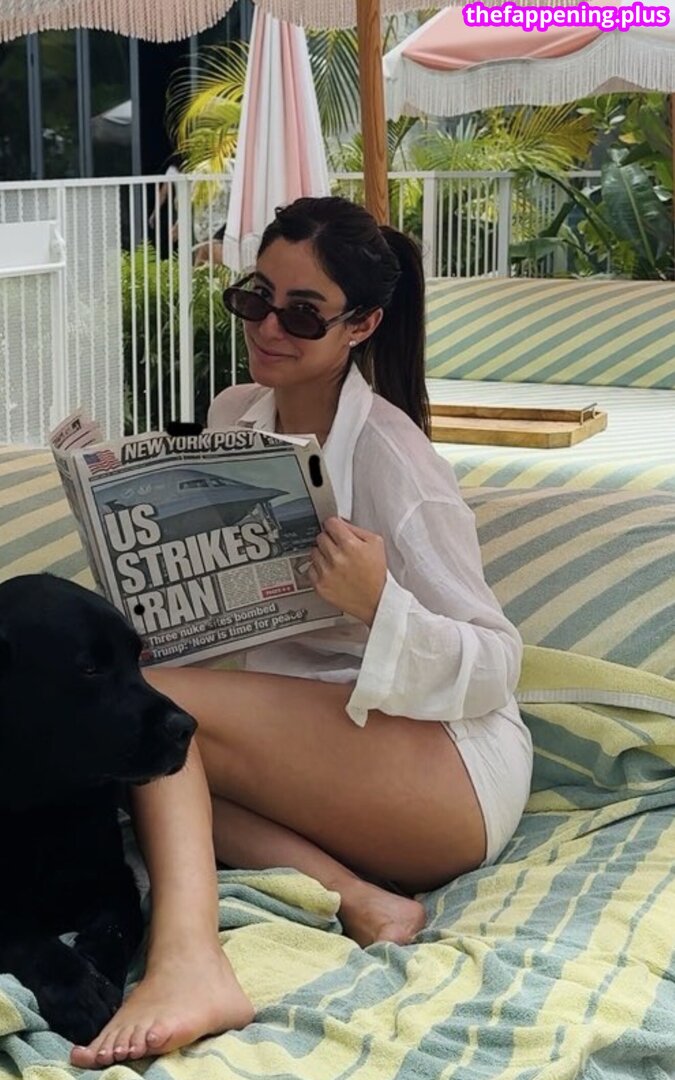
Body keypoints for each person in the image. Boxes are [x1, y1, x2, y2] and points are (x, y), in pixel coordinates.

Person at [70, 196, 533, 1070]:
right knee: (135, 747)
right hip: (333, 740)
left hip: (452, 773)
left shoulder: (393, 458)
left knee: (153, 714)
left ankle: (190, 961)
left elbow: (495, 664)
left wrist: (378, 602)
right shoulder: (236, 414)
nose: (268, 327)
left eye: (302, 313)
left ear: (362, 324)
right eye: (255, 299)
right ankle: (359, 897)